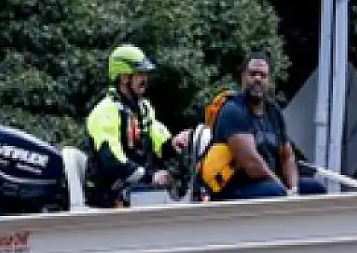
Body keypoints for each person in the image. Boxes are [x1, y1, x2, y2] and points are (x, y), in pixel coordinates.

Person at [200, 57, 328, 200]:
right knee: (275, 192)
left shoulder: (274, 111)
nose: (257, 79)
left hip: (269, 184)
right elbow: (252, 164)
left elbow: (287, 156)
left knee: (315, 188)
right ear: (243, 77)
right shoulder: (233, 111)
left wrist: (294, 189)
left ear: (269, 80)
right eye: (253, 74)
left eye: (263, 75)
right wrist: (285, 192)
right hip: (236, 188)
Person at [83, 44, 189, 208]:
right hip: (108, 194)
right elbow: (112, 160)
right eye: (140, 74)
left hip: (131, 187)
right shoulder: (105, 111)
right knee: (157, 196)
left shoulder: (143, 108)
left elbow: (159, 141)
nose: (145, 80)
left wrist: (175, 143)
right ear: (124, 78)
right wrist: (150, 177)